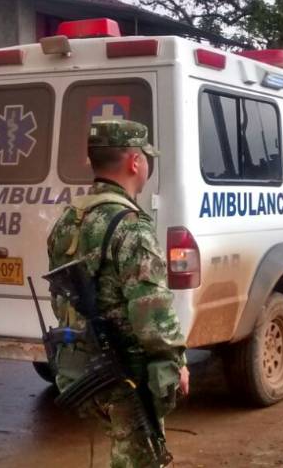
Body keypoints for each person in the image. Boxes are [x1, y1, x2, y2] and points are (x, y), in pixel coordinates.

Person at [47, 119, 189, 467]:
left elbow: (61, 296)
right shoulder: (131, 226)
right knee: (139, 459)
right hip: (124, 371)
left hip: (81, 364)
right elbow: (151, 312)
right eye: (146, 157)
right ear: (134, 162)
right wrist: (177, 361)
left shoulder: (70, 218)